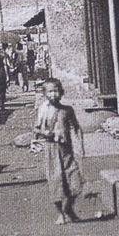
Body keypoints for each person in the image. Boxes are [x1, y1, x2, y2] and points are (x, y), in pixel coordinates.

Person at [32, 78, 85, 224]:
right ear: (45, 93)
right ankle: (60, 213)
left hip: (66, 150)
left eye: (56, 91)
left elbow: (76, 127)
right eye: (50, 91)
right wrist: (44, 133)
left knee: (75, 180)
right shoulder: (44, 110)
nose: (53, 94)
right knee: (56, 181)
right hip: (51, 150)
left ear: (61, 92)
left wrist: (80, 145)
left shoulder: (67, 110)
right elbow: (36, 128)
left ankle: (68, 208)